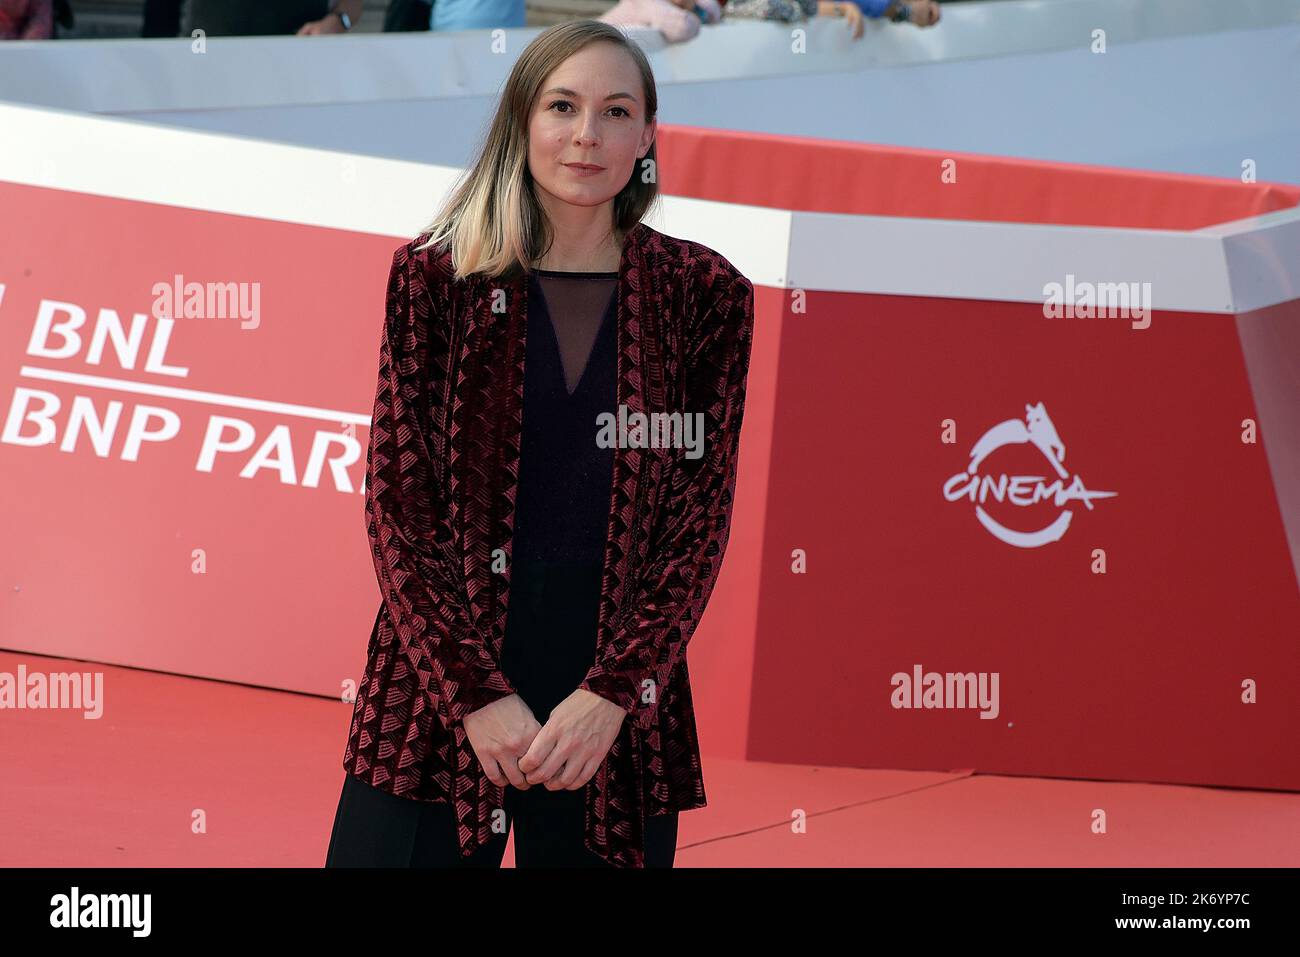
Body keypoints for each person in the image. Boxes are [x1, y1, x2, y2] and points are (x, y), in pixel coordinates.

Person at [325, 18, 755, 868]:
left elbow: (695, 529)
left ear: (648, 135)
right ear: (522, 120)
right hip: (435, 690)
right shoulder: (435, 279)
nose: (586, 135)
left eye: (616, 111)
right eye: (562, 106)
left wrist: (611, 695)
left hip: (613, 712)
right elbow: (398, 508)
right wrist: (474, 694)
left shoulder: (707, 295)